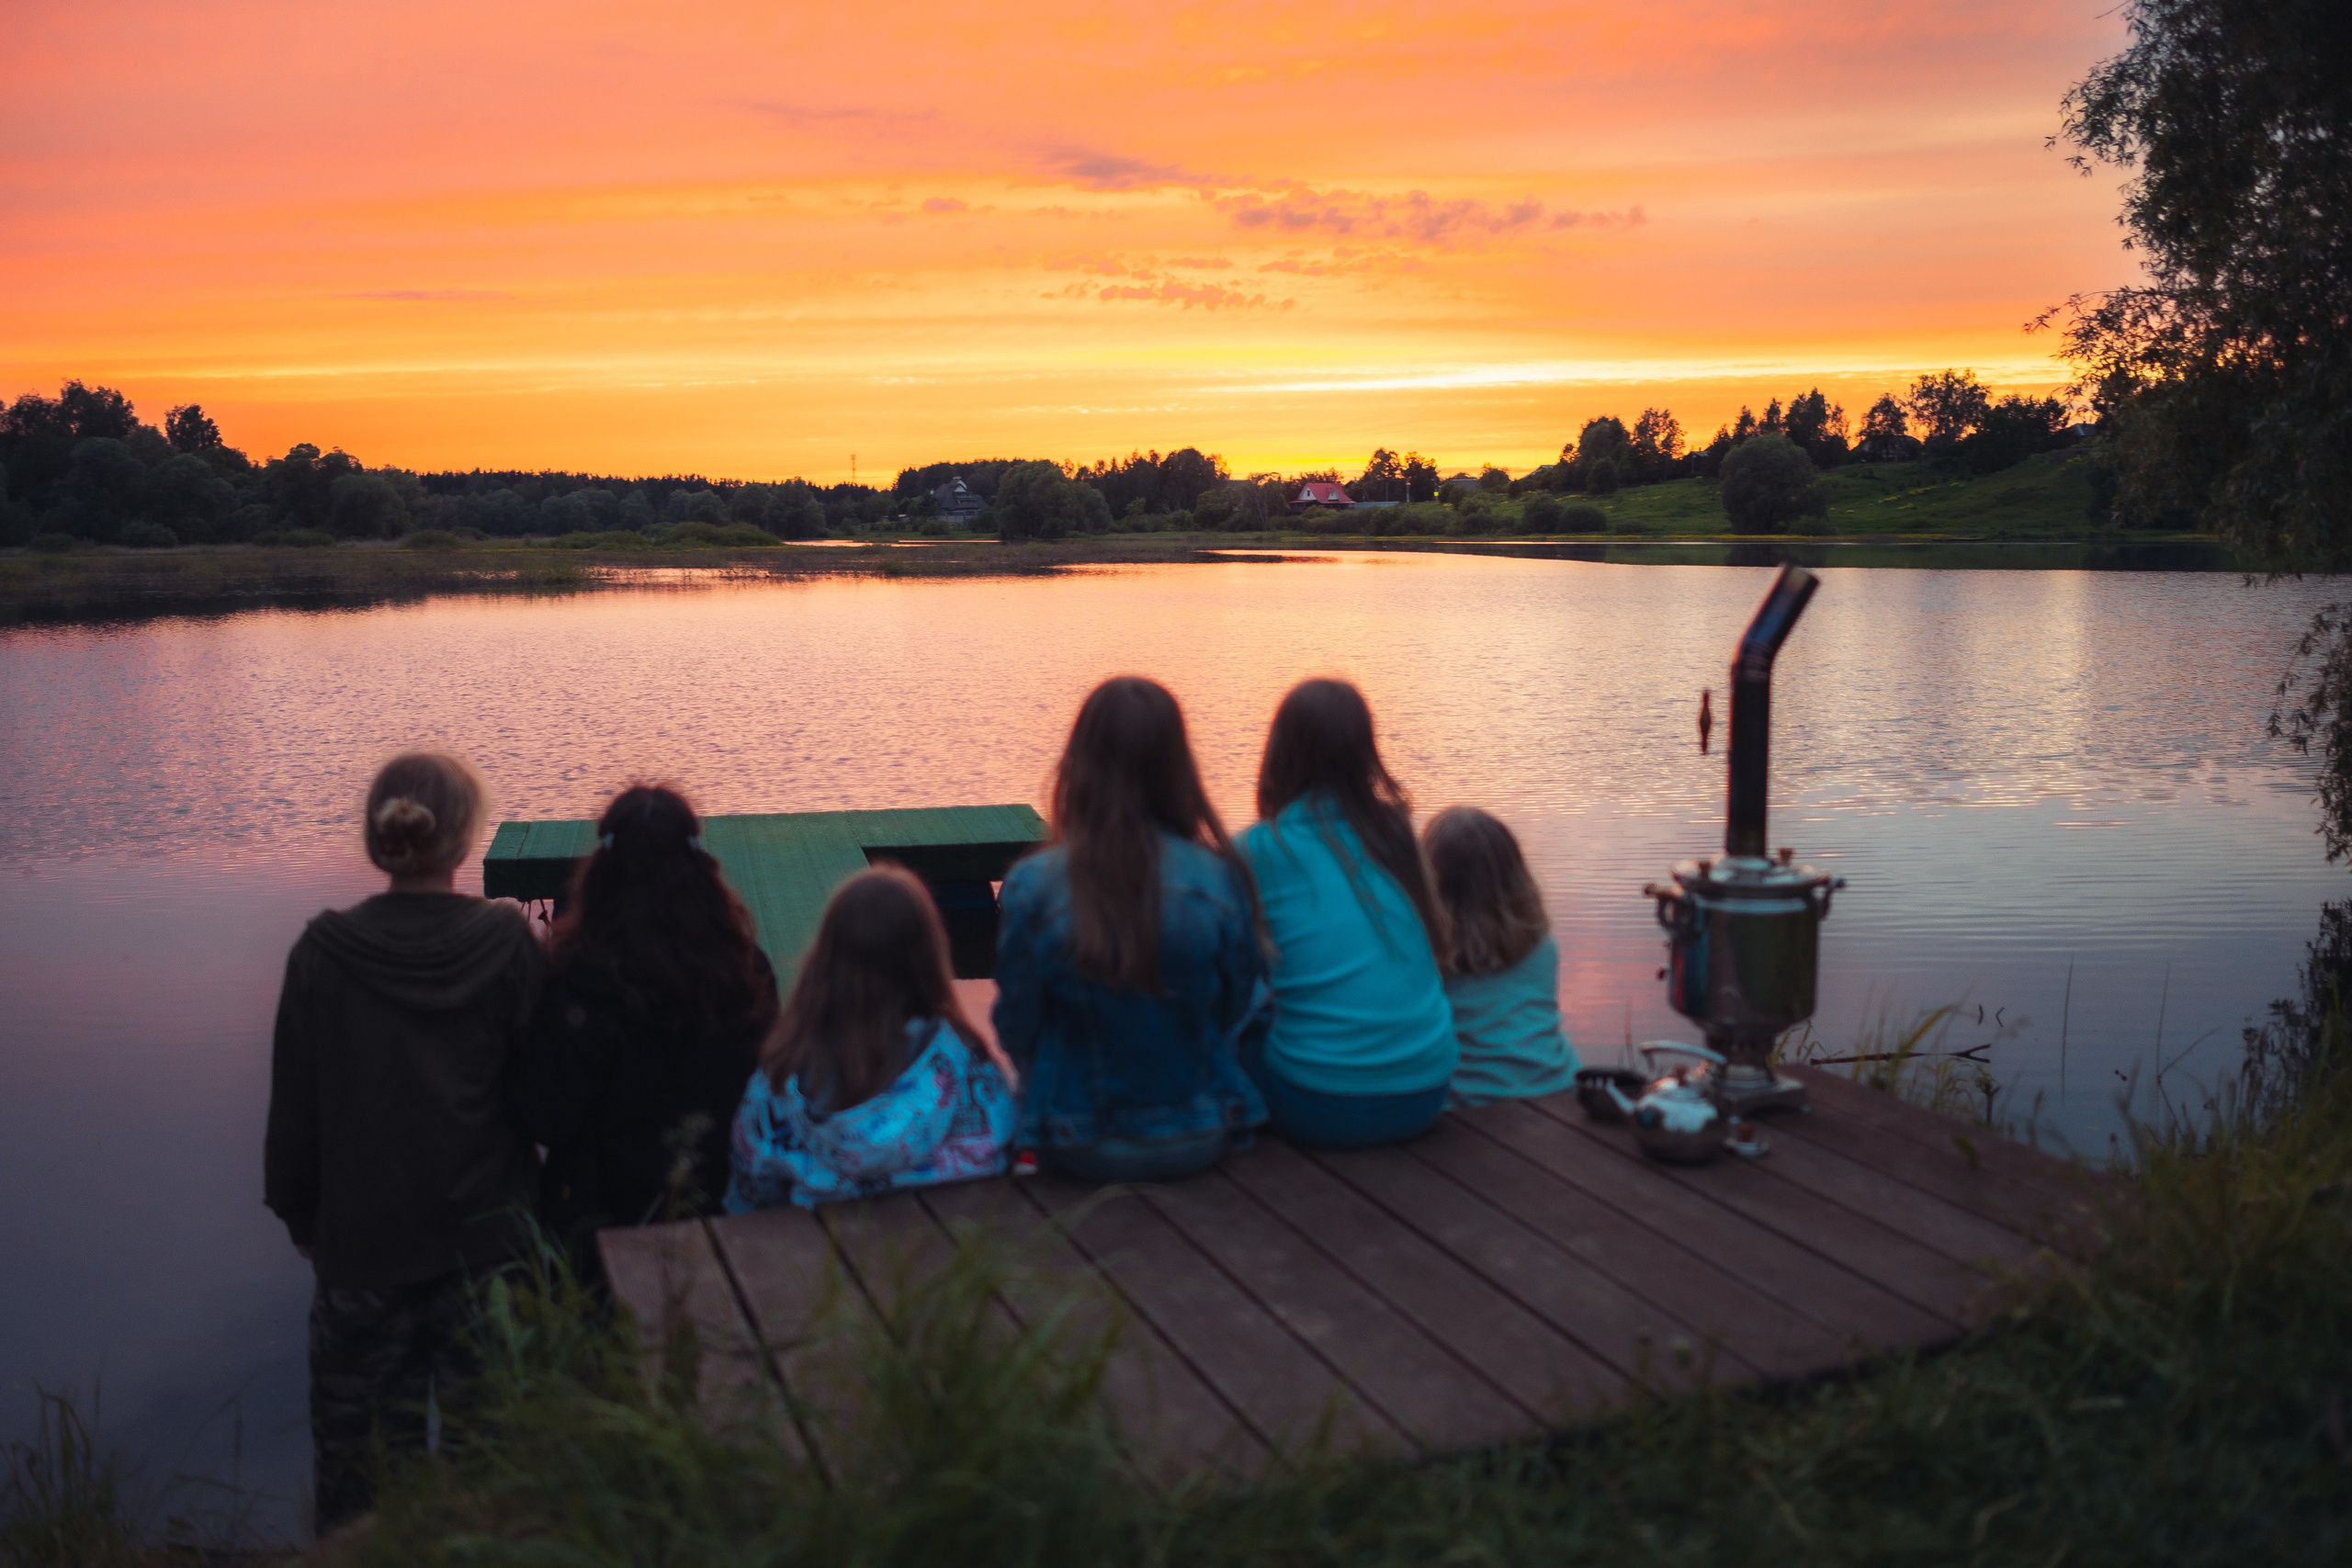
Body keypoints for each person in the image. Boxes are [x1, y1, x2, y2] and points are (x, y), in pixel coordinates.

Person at [264, 753, 542, 1537]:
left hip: (363, 1255)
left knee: (362, 1487)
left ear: (377, 837)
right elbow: (542, 1098)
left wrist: (299, 1217)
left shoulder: (323, 954)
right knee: (494, 1477)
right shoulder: (507, 945)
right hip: (488, 1253)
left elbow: (296, 1116)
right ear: (461, 841)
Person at [992, 676, 1269, 1181]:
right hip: (1199, 1136)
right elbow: (1233, 1008)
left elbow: (1017, 1027)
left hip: (1078, 1143)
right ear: (1178, 770)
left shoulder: (1031, 885)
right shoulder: (1220, 877)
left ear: (1078, 766)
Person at [515, 785, 778, 1269]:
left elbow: (545, 1117)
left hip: (600, 1234)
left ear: (602, 872)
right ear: (698, 868)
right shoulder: (746, 970)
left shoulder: (576, 980)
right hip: (725, 1212)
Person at [1237, 679, 1456, 1147]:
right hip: (1427, 1094)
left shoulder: (1259, 847)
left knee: (1237, 1026)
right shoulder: (1395, 834)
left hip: (1317, 1105)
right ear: (1365, 752)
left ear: (1280, 750)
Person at [726, 866, 1015, 1209]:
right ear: (928, 956)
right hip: (947, 1246)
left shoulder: (780, 1077)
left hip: (816, 1252)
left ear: (826, 954)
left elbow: (749, 1193)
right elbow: (1000, 1151)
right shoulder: (967, 1063)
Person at [1420, 807, 1583, 1107]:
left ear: (1429, 878)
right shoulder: (1541, 945)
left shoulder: (1425, 955)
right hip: (1557, 1084)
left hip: (1467, 1103)